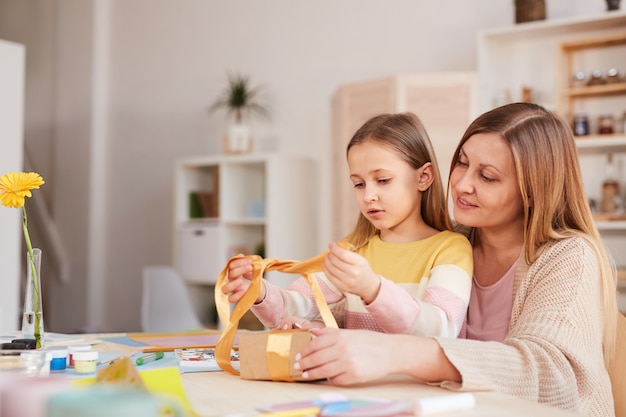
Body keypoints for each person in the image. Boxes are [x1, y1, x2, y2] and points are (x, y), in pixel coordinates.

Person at [293, 102, 618, 417]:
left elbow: (551, 375)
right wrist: (314, 325)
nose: (462, 184)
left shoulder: (569, 257)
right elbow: (356, 313)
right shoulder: (451, 243)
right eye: (462, 163)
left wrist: (396, 351)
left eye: (487, 177)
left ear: (532, 191)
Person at [222, 112, 473, 338]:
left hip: (420, 389)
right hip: (355, 385)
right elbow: (299, 305)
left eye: (383, 180)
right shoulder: (353, 250)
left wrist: (373, 290)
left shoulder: (450, 249)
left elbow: (442, 330)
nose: (368, 196)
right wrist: (258, 291)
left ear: (423, 177)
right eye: (359, 183)